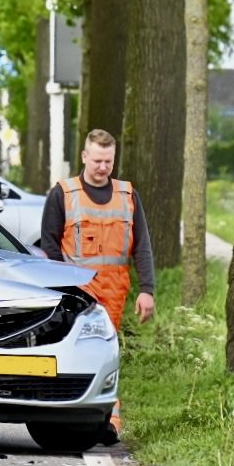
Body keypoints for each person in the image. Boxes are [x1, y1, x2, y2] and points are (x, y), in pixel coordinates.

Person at [40, 128, 157, 443]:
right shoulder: (63, 194)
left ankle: (109, 422)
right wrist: (61, 288)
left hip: (114, 293)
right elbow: (49, 246)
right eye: (97, 161)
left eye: (108, 161)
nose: (103, 167)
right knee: (73, 354)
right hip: (76, 293)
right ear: (84, 157)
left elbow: (142, 246)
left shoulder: (127, 195)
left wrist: (147, 290)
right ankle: (68, 417)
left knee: (106, 356)